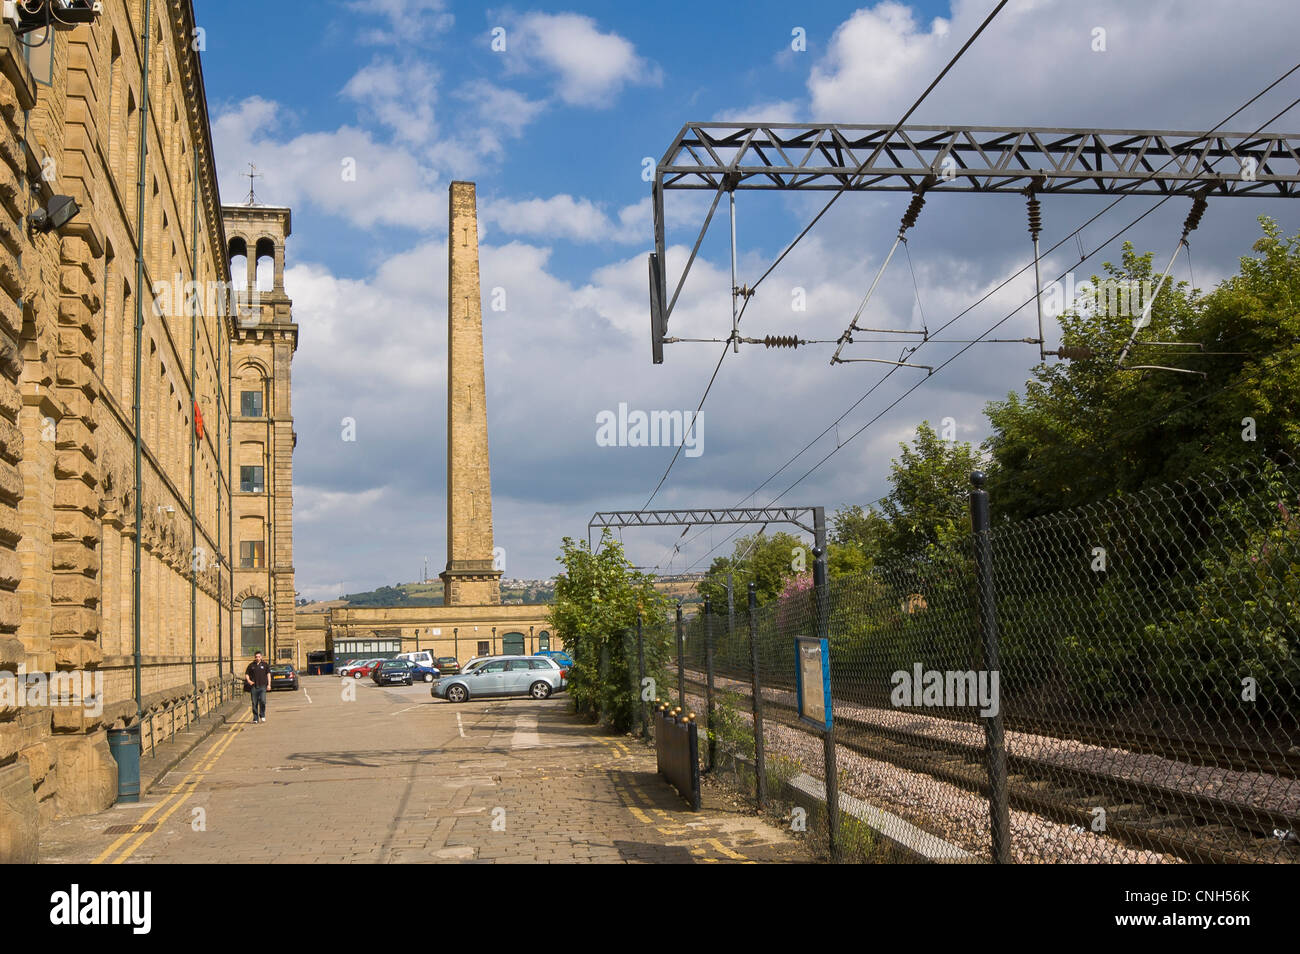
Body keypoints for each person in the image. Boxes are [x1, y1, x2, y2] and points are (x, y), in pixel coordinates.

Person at [245, 651, 271, 724]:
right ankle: (255, 718)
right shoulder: (251, 665)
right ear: (254, 657)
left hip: (263, 686)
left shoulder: (265, 665)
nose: (257, 658)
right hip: (254, 687)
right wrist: (249, 681)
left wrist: (269, 685)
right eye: (256, 657)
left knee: (263, 701)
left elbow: (268, 675)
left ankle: (262, 715)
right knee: (254, 703)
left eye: (259, 657)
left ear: (261, 657)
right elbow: (246, 674)